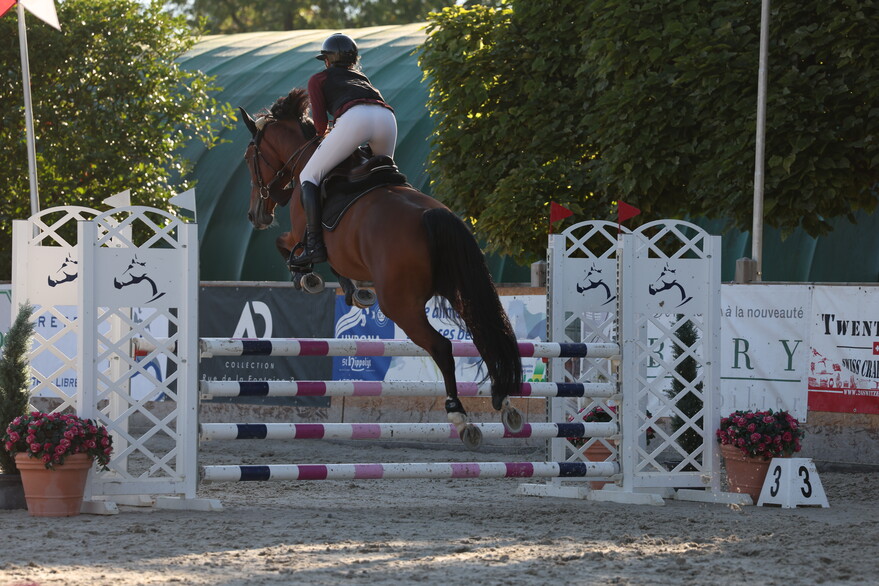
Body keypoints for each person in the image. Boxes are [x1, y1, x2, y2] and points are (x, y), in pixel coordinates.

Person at [290, 32, 398, 269]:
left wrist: (332, 133)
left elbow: (320, 127)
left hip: (355, 119)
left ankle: (314, 246)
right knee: (386, 177)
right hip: (387, 118)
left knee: (308, 176)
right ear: (353, 60)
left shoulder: (319, 79)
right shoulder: (362, 78)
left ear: (327, 60)